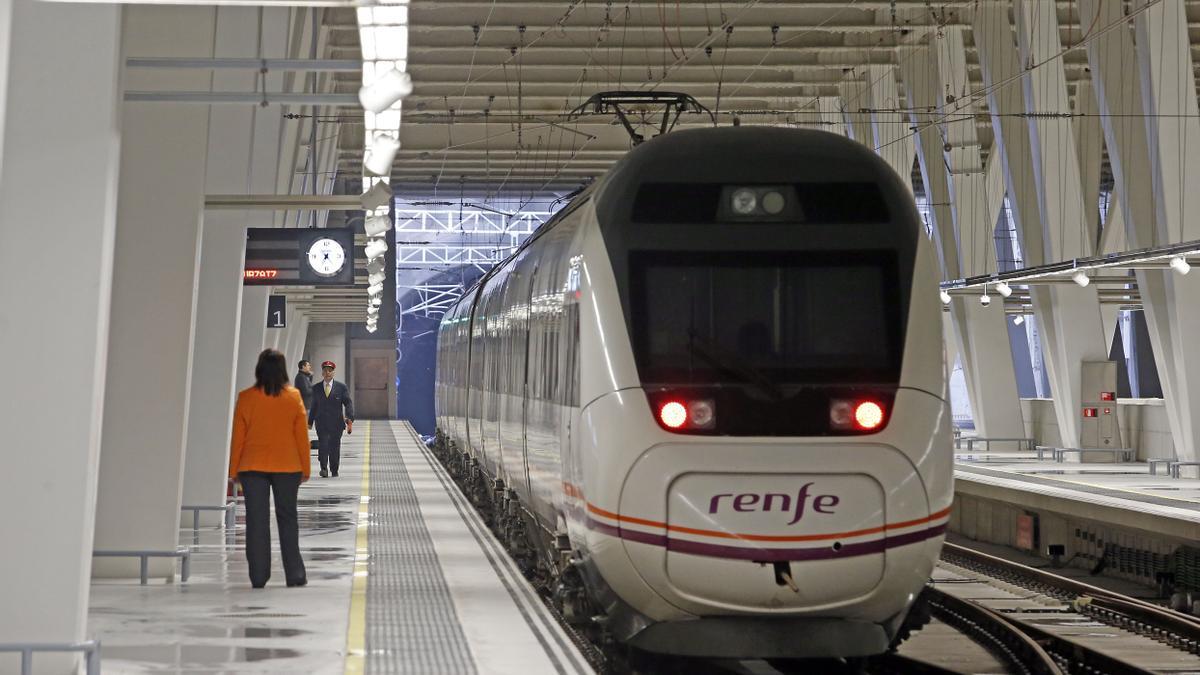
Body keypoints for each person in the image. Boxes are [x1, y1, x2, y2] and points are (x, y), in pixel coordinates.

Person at [228, 348, 310, 589]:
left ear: (259, 370)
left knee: (256, 520)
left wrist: (233, 470)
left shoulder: (246, 398)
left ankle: (258, 575)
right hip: (288, 466)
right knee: (287, 518)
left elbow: (238, 438)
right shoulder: (293, 397)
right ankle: (294, 573)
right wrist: (305, 468)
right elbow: (301, 438)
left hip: (252, 467)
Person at [308, 360, 354, 478]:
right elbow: (314, 406)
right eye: (325, 370)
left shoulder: (341, 387)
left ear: (333, 372)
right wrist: (310, 422)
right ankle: (323, 468)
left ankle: (334, 469)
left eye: (330, 370)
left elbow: (348, 403)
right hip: (321, 422)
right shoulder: (316, 388)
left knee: (334, 446)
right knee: (323, 445)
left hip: (336, 423)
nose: (327, 372)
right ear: (322, 373)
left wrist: (349, 417)